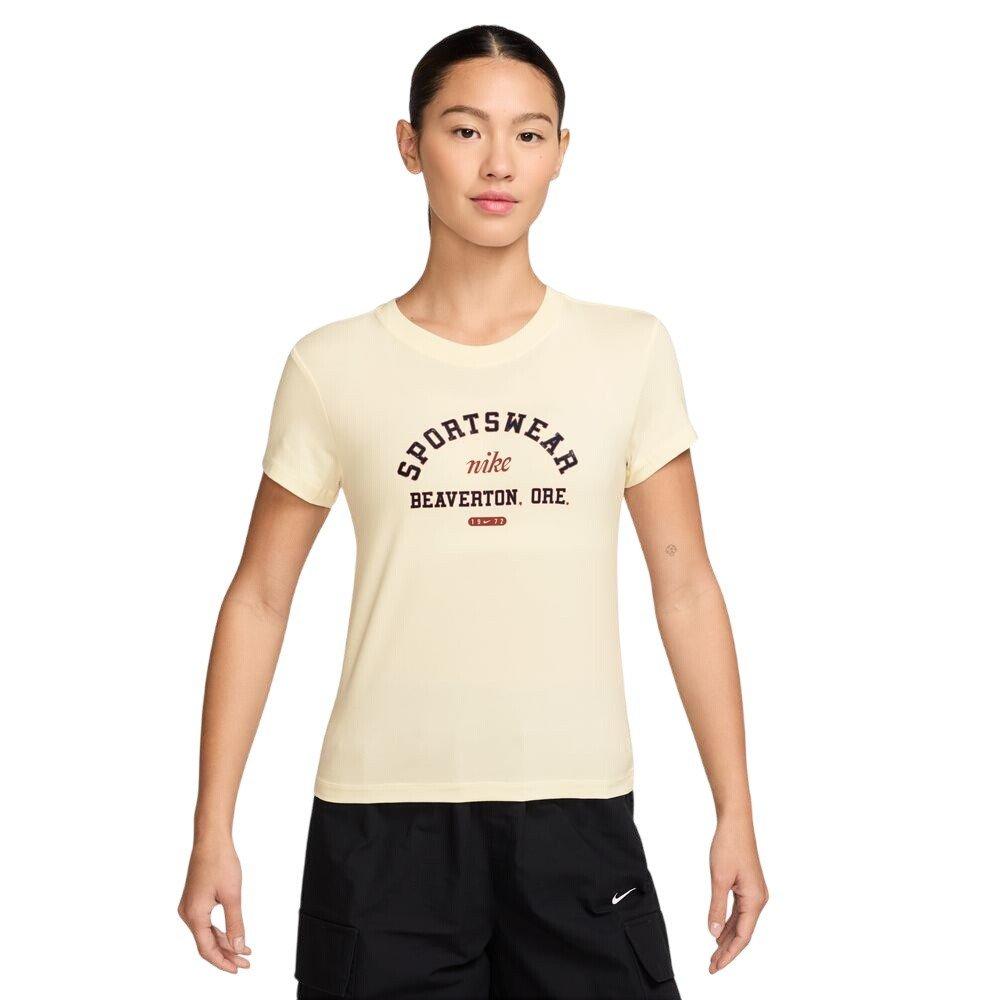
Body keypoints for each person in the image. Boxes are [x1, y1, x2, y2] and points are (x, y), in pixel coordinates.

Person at [178, 23, 767, 999]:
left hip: (577, 816)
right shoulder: (332, 366)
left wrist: (734, 809)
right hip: (381, 826)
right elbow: (260, 597)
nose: (499, 164)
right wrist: (213, 827)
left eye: (529, 134)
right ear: (410, 145)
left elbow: (687, 587)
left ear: (560, 153)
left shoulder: (627, 351)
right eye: (464, 130)